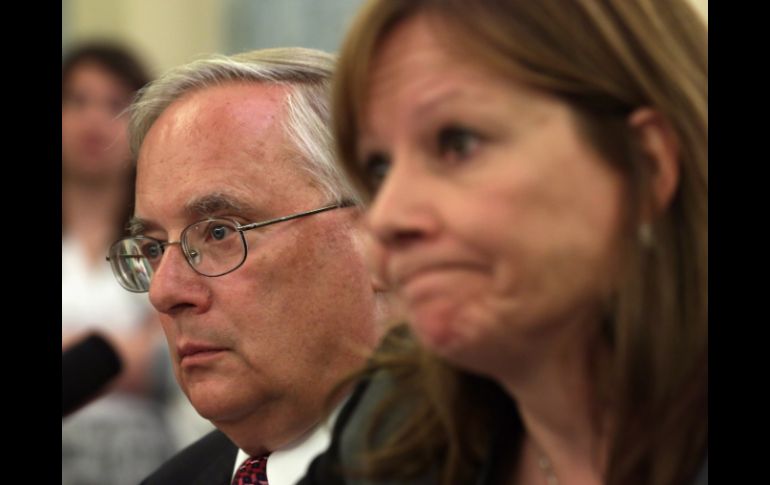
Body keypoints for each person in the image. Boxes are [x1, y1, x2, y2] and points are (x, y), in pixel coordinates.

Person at [301, 1, 708, 484]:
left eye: (458, 143)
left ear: (646, 165)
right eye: (379, 169)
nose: (386, 217)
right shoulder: (393, 424)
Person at [109, 47, 390, 485]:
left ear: (379, 238)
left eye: (219, 232)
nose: (163, 293)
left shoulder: (496, 459)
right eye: (152, 248)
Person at [61, 41, 179, 485]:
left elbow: (169, 360)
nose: (95, 119)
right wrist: (123, 352)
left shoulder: (165, 238)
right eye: (78, 100)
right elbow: (136, 359)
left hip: (146, 461)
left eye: (115, 103)